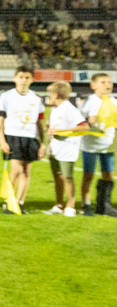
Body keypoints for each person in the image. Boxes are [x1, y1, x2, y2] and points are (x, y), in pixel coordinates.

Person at [0, 66, 45, 214]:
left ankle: (20, 202)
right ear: (15, 78)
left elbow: (39, 123)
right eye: (21, 77)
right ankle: (8, 202)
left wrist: (42, 143)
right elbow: (0, 121)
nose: (23, 80)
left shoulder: (36, 99)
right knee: (16, 170)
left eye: (27, 78)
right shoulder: (6, 96)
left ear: (32, 80)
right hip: (12, 135)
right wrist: (2, 140)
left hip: (30, 137)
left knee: (26, 172)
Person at [43, 81, 89, 216]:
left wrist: (61, 130)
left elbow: (84, 127)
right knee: (57, 177)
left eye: (50, 94)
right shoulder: (54, 109)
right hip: (54, 148)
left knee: (67, 177)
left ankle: (70, 206)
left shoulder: (69, 109)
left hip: (67, 148)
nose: (49, 97)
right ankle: (58, 205)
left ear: (56, 95)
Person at [78, 72, 116, 217]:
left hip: (108, 145)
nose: (108, 85)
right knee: (88, 175)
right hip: (91, 145)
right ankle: (86, 204)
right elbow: (79, 122)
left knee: (108, 175)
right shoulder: (88, 101)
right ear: (93, 86)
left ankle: (104, 205)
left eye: (109, 82)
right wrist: (89, 121)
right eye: (103, 82)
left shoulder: (114, 101)